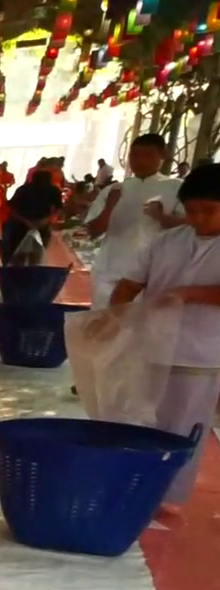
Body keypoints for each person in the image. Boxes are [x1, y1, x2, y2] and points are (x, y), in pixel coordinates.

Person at [109, 160, 220, 523]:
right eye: (192, 211)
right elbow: (130, 284)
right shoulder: (167, 241)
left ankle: (167, 494)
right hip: (153, 345)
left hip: (202, 354)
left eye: (209, 211)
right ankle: (133, 483)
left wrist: (190, 293)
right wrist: (114, 318)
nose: (199, 218)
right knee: (138, 420)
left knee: (184, 427)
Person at [86, 133, 185, 308]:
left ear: (162, 156)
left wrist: (162, 217)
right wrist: (110, 207)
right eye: (135, 155)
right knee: (104, 320)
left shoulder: (176, 187)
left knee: (143, 323)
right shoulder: (114, 189)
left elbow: (191, 226)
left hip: (153, 273)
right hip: (110, 270)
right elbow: (93, 231)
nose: (140, 161)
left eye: (148, 155)